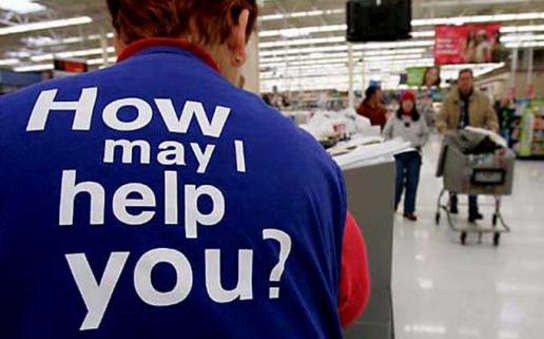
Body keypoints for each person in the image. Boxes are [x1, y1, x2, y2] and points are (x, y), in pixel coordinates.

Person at [0, 1, 369, 338]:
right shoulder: (304, 159)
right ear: (239, 28)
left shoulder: (10, 128)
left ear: (118, 34)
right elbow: (348, 297)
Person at [437, 69, 499, 223]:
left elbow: (491, 118)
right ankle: (453, 198)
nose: (465, 82)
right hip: (455, 141)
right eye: (462, 79)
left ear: (473, 81)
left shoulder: (482, 100)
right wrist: (444, 129)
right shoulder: (449, 99)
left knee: (474, 174)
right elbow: (441, 118)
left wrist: (491, 129)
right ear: (458, 81)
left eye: (467, 79)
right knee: (453, 171)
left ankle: (473, 209)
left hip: (475, 142)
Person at [383, 90, 429, 222]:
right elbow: (386, 133)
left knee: (412, 183)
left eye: (410, 101)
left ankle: (409, 210)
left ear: (413, 103)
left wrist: (419, 143)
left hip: (414, 154)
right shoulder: (394, 118)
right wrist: (390, 145)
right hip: (398, 154)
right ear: (401, 103)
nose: (408, 104)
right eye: (405, 101)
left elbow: (426, 134)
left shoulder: (419, 118)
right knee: (397, 182)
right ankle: (393, 205)